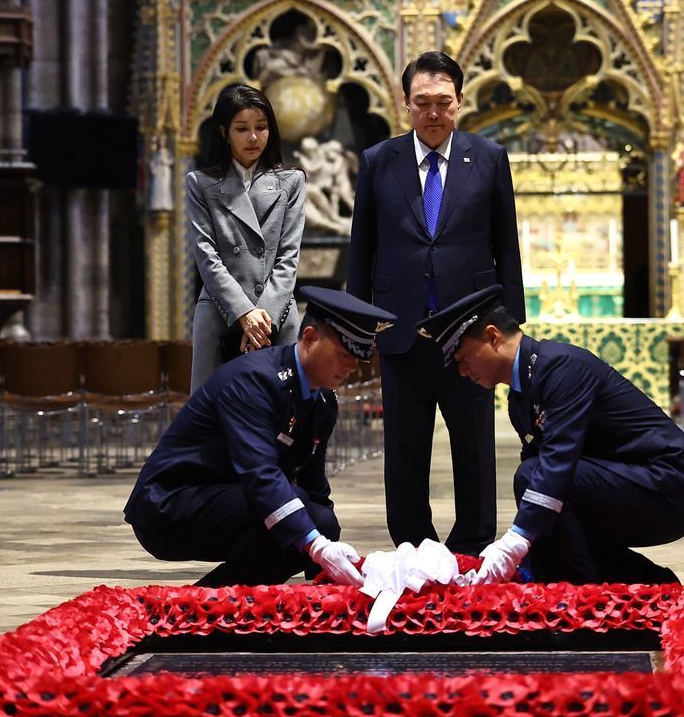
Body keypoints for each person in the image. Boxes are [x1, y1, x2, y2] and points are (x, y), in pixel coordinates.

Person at [416, 285, 684, 585]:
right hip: (631, 482)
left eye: (463, 357)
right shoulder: (521, 395)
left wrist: (517, 539)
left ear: (493, 337)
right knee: (543, 506)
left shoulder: (560, 366)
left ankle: (577, 593)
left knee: (534, 479)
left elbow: (557, 461)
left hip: (669, 487)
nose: (462, 371)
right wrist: (518, 549)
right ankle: (647, 586)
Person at [346, 51, 525, 555]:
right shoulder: (380, 160)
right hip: (400, 326)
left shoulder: (488, 157)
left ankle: (471, 542)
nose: (432, 112)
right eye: (421, 102)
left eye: (443, 102)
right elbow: (363, 247)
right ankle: (412, 542)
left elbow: (505, 244)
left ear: (460, 101)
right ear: (405, 104)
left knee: (474, 443)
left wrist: (509, 325)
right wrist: (359, 325)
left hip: (470, 331)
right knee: (404, 446)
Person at [123, 287, 396, 588]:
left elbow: (314, 484)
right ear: (308, 338)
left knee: (320, 519)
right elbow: (260, 473)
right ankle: (198, 607)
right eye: (344, 355)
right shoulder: (253, 381)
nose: (350, 368)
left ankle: (216, 598)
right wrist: (316, 546)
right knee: (300, 516)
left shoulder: (323, 401)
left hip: (229, 496)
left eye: (357, 360)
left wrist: (326, 568)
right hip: (170, 504)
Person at [186, 84, 306, 389]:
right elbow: (207, 257)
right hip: (219, 315)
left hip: (275, 315)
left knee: (280, 420)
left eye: (261, 127)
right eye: (242, 128)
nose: (253, 137)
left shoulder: (291, 181)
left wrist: (261, 317)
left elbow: (288, 257)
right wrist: (244, 313)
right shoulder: (200, 184)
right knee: (215, 421)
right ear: (225, 132)